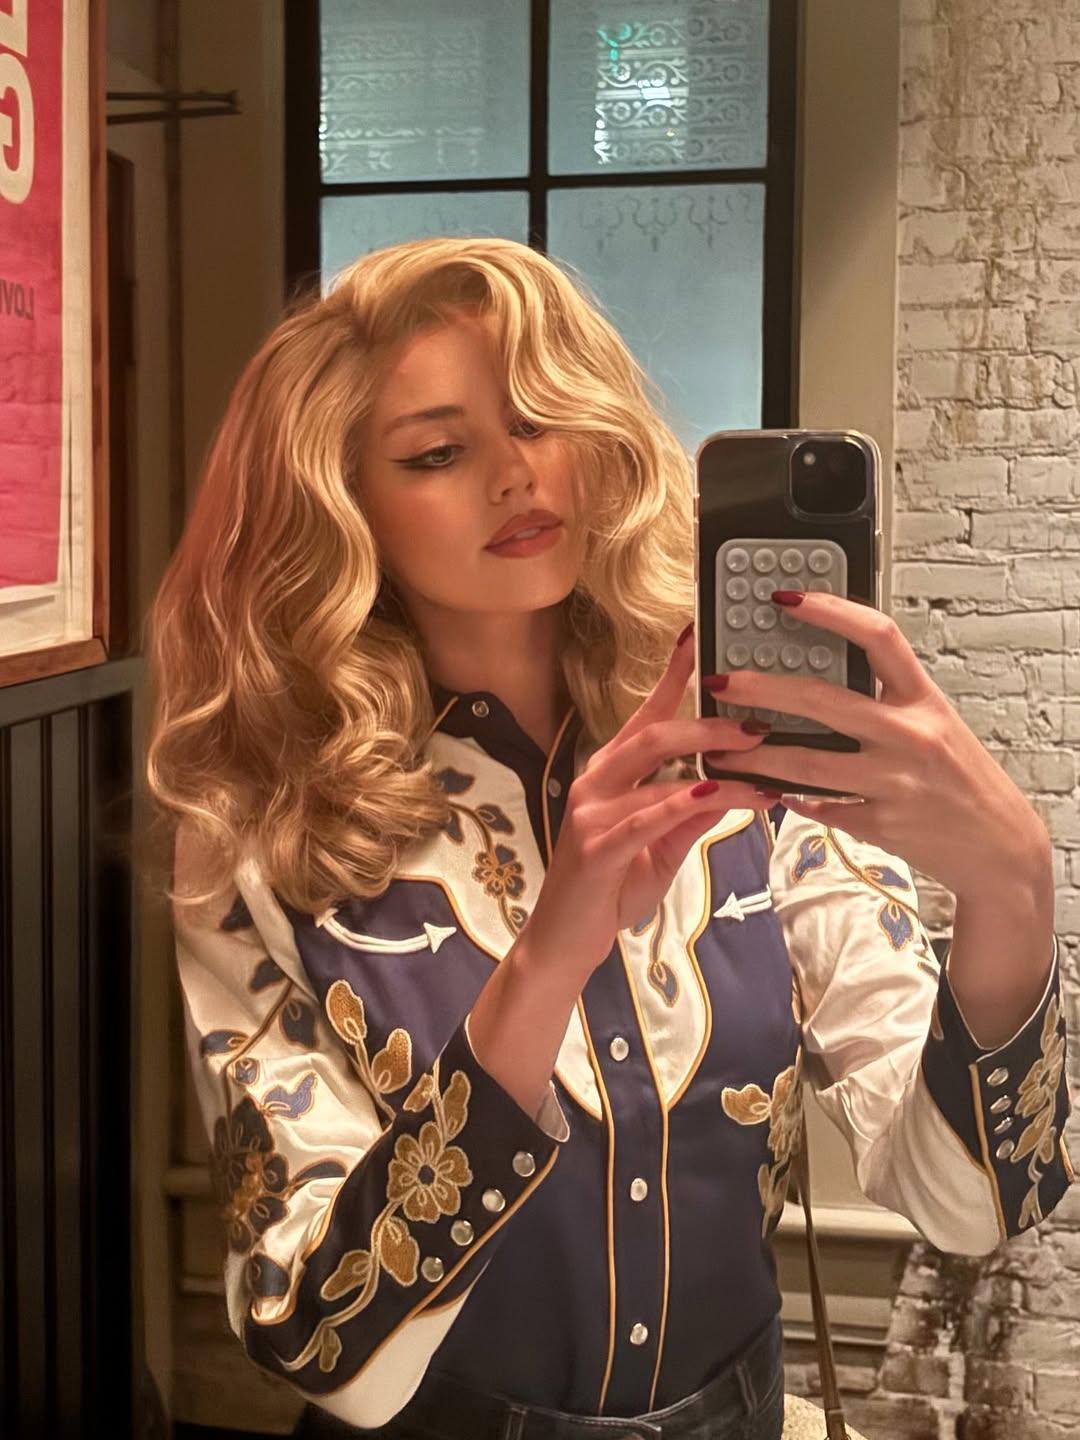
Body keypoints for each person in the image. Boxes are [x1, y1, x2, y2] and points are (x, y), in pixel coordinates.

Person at [145, 236, 1072, 1440]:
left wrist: (1013, 883)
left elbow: (972, 1205)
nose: (516, 475)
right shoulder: (268, 834)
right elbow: (326, 1346)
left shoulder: (749, 764)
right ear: (343, 504)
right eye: (437, 453)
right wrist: (546, 962)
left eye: (542, 418)